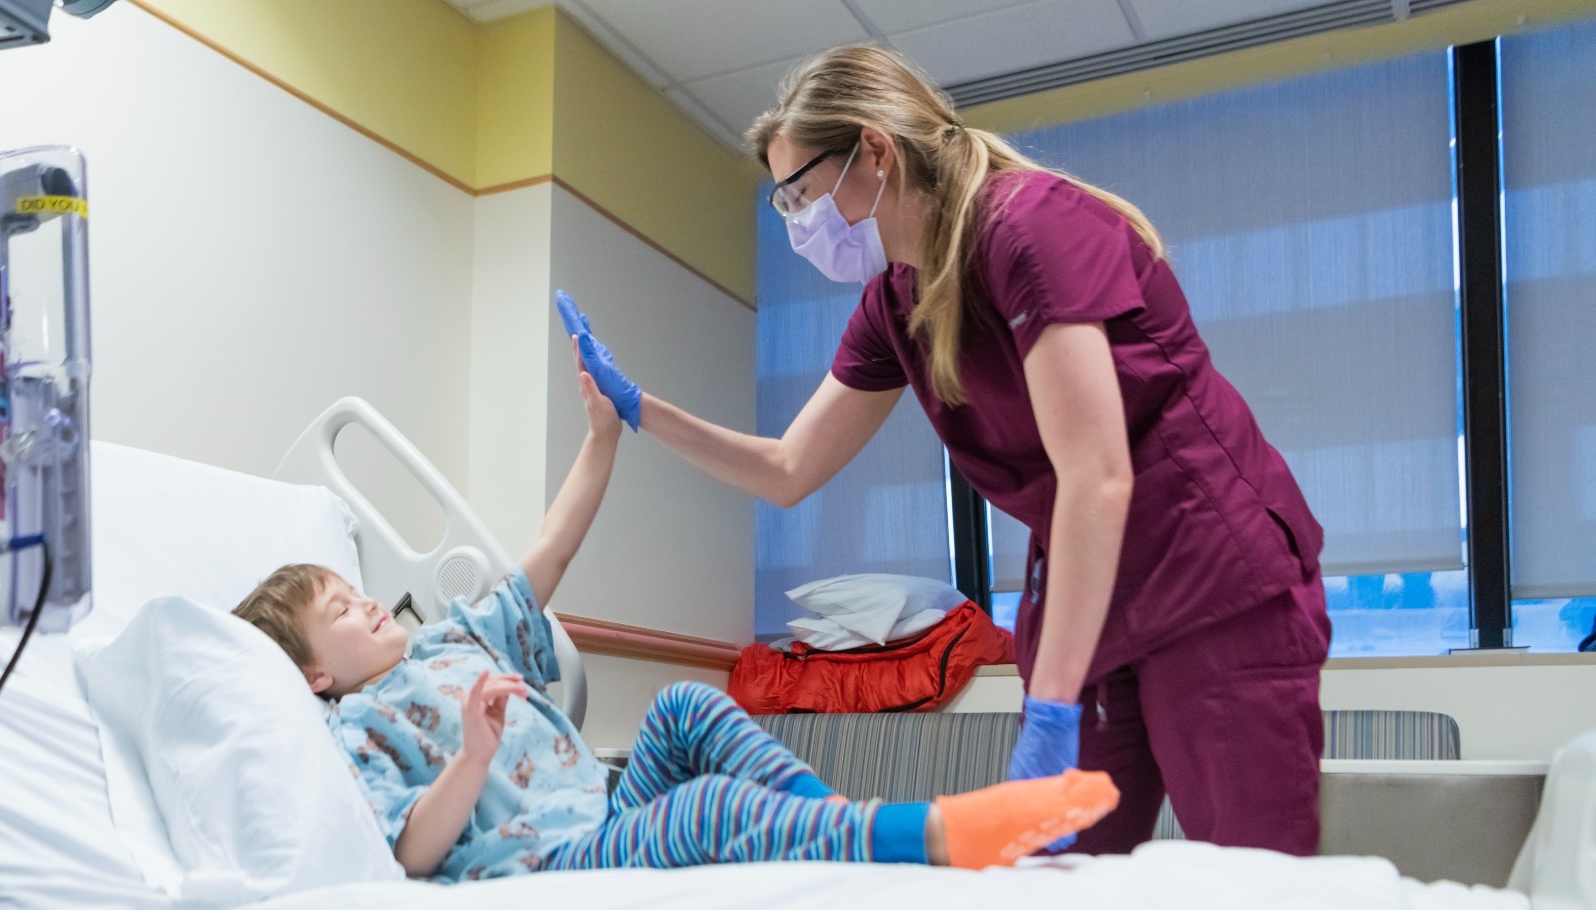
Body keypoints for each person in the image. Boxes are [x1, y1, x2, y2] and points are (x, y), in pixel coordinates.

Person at [561, 43, 1331, 856]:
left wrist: (1054, 707)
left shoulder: (1030, 228)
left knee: (1252, 876)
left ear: (875, 152)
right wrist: (643, 410)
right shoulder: (895, 300)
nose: (796, 219)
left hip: (1208, 572)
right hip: (1088, 599)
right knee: (1065, 875)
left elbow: (1097, 476)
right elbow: (788, 471)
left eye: (801, 192)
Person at [233, 347, 1120, 882]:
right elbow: (410, 855)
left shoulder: (453, 636)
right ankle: (925, 835)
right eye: (341, 612)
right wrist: (471, 756)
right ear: (316, 675)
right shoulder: (355, 727)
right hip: (547, 863)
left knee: (684, 708)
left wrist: (602, 438)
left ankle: (842, 823)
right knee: (704, 810)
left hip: (607, 814)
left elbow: (553, 548)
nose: (366, 602)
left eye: (354, 590)